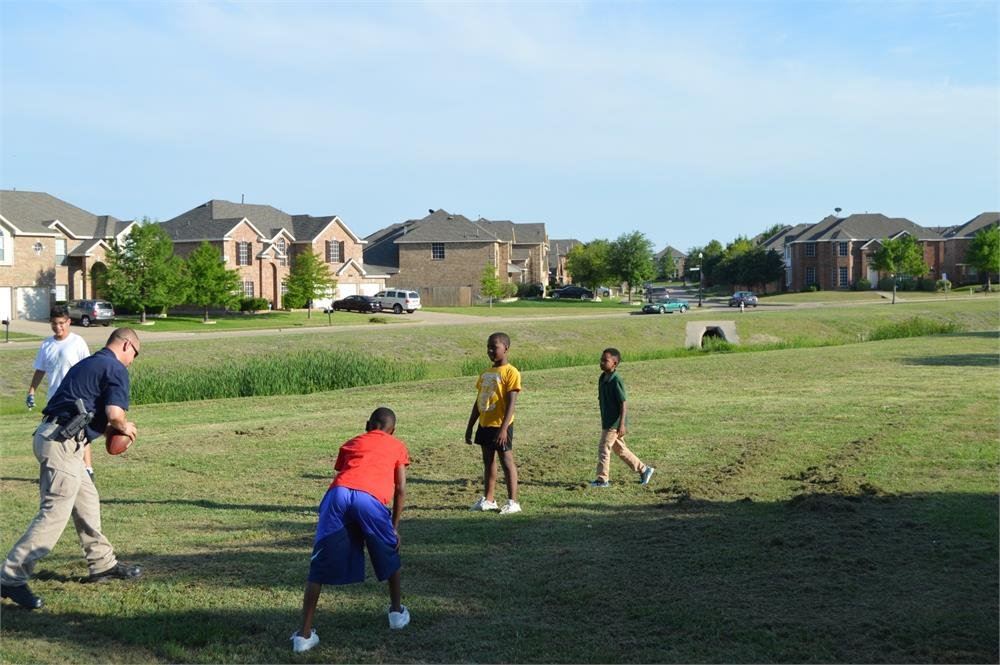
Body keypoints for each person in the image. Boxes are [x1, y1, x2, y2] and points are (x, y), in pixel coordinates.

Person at [0, 328, 143, 610]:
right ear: (127, 345)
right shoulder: (115, 367)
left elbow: (82, 409)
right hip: (62, 443)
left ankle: (102, 563)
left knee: (87, 501)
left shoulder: (90, 362)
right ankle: (11, 577)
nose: (132, 361)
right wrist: (127, 428)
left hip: (57, 438)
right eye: (134, 355)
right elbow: (115, 416)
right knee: (54, 512)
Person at [292, 407, 411, 653]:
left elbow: (346, 473)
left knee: (319, 564)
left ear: (367, 424)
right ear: (393, 431)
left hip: (337, 495)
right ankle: (397, 614)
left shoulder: (352, 442)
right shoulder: (397, 445)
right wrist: (394, 528)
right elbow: (400, 489)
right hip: (370, 499)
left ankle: (303, 636)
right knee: (389, 550)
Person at [27, 306, 93, 478]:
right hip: (54, 399)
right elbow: (40, 370)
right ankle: (59, 467)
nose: (58, 327)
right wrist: (31, 391)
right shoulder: (47, 344)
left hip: (75, 397)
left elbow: (87, 369)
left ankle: (87, 468)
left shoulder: (77, 342)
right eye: (55, 323)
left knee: (80, 431)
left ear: (69, 322)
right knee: (55, 434)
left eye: (62, 323)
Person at [465, 331, 522, 514]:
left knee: (506, 460)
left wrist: (504, 429)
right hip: (485, 424)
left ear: (506, 348)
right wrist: (470, 425)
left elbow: (512, 403)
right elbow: (479, 400)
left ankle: (513, 502)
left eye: (494, 347)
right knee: (488, 461)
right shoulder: (486, 373)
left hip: (501, 425)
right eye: (488, 347)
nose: (490, 350)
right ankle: (489, 500)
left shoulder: (511, 372)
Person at [589, 348, 655, 488]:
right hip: (607, 421)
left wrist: (622, 424)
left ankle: (602, 479)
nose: (601, 363)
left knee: (604, 448)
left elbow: (623, 402)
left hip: (615, 423)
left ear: (615, 363)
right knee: (620, 450)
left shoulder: (616, 380)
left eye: (605, 360)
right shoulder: (602, 378)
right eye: (601, 360)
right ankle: (644, 469)